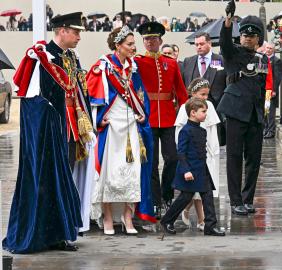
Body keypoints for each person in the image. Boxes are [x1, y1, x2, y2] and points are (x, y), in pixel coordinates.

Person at [2, 12, 94, 253]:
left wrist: (86, 125)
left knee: (64, 182)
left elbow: (79, 94)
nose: (78, 37)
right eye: (75, 32)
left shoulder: (71, 58)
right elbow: (31, 103)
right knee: (45, 181)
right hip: (49, 134)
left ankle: (59, 233)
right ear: (61, 30)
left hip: (71, 129)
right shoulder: (40, 58)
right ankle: (41, 235)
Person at [86, 25, 156, 235]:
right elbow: (92, 97)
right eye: (130, 44)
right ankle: (108, 217)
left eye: (134, 44)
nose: (134, 48)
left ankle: (127, 217)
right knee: (109, 173)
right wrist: (99, 119)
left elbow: (141, 95)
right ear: (118, 46)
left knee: (132, 172)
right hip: (111, 127)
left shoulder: (133, 68)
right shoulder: (103, 66)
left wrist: (143, 113)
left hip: (131, 125)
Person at [217, 0, 268, 215]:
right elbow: (225, 42)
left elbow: (261, 85)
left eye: (252, 35)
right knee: (235, 157)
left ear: (258, 39)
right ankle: (235, 201)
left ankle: (247, 200)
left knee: (254, 160)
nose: (248, 37)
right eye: (245, 34)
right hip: (236, 111)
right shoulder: (233, 52)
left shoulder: (262, 58)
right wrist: (228, 20)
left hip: (255, 114)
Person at [135, 22, 188, 218]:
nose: (150, 42)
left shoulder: (171, 63)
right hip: (147, 118)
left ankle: (167, 195)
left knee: (172, 158)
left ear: (160, 40)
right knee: (151, 163)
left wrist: (187, 112)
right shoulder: (138, 62)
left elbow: (181, 91)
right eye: (147, 39)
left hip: (168, 117)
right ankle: (155, 202)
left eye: (153, 39)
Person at [160, 98, 225, 237]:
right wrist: (186, 170)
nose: (206, 114)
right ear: (193, 113)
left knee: (208, 197)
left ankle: (210, 226)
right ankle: (167, 220)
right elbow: (181, 152)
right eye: (203, 111)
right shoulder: (185, 131)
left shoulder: (202, 131)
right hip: (190, 170)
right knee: (185, 197)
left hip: (202, 169)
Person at [175, 78, 220, 230]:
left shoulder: (210, 106)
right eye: (202, 94)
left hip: (207, 152)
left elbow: (213, 129)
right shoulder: (184, 108)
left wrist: (214, 150)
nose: (205, 98)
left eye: (207, 95)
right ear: (193, 93)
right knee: (193, 189)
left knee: (205, 190)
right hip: (192, 154)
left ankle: (201, 218)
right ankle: (201, 219)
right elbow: (179, 132)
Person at [181, 32, 227, 146]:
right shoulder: (188, 61)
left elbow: (227, 83)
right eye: (196, 44)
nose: (198, 47)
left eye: (201, 44)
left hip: (216, 107)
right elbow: (183, 84)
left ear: (209, 43)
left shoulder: (222, 60)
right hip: (193, 110)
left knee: (214, 142)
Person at [263, 42, 282, 139]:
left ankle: (271, 131)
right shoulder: (262, 60)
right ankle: (266, 129)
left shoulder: (277, 61)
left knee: (270, 112)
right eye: (267, 48)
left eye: (271, 48)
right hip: (263, 90)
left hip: (271, 91)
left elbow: (278, 77)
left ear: (273, 50)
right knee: (265, 111)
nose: (268, 50)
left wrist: (274, 90)